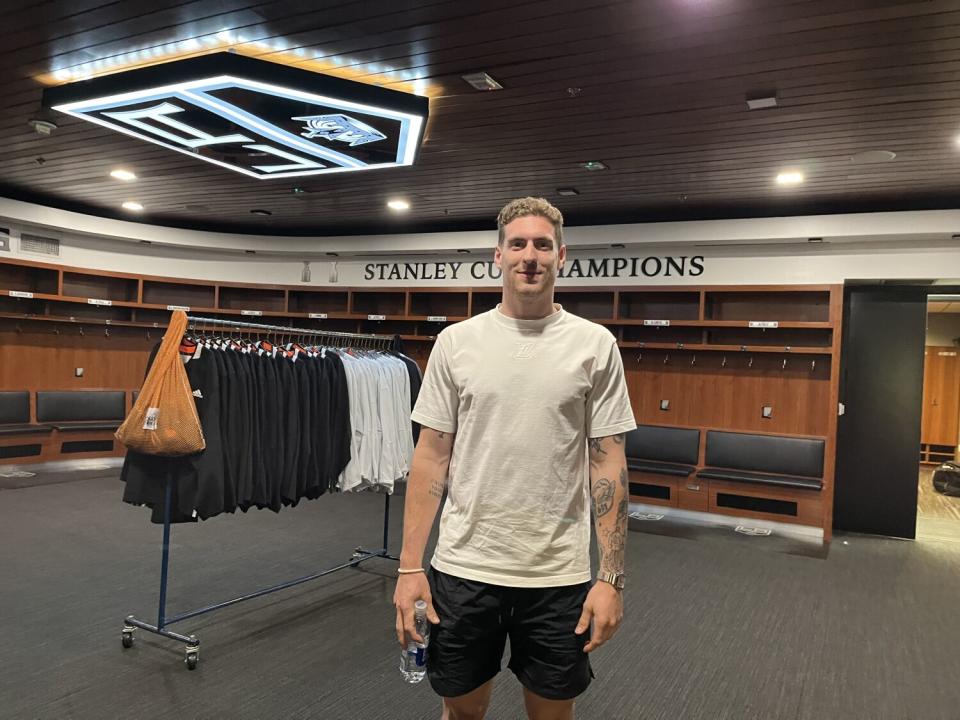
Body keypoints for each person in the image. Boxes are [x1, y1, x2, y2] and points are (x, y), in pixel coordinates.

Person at [394, 197, 636, 720]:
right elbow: (431, 457)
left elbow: (609, 465)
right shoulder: (457, 343)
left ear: (561, 256)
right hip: (463, 570)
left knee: (551, 714)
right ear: (497, 256)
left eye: (543, 244)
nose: (531, 255)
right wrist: (409, 567)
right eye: (518, 244)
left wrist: (610, 577)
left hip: (557, 575)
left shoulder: (595, 345)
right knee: (462, 711)